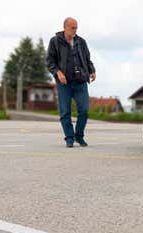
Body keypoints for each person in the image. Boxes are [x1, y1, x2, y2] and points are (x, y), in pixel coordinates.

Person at [46, 17, 96, 147]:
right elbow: (50, 61)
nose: (75, 30)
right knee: (65, 112)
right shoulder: (55, 41)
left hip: (80, 81)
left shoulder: (81, 42)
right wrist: (58, 72)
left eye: (76, 28)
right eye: (72, 28)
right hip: (64, 83)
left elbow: (87, 59)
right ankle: (69, 137)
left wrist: (92, 70)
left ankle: (79, 136)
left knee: (84, 110)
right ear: (65, 27)